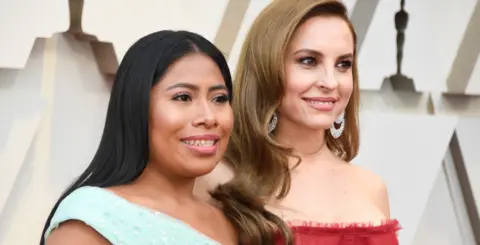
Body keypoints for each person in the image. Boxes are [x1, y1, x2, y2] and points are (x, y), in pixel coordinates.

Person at [204, 0, 401, 244]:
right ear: (267, 67)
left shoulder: (372, 187)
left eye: (343, 64)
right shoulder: (218, 179)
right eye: (309, 61)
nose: (330, 82)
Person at [41, 30, 240, 245]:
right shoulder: (92, 218)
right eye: (183, 97)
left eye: (219, 98)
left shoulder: (229, 223)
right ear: (136, 106)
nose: (209, 117)